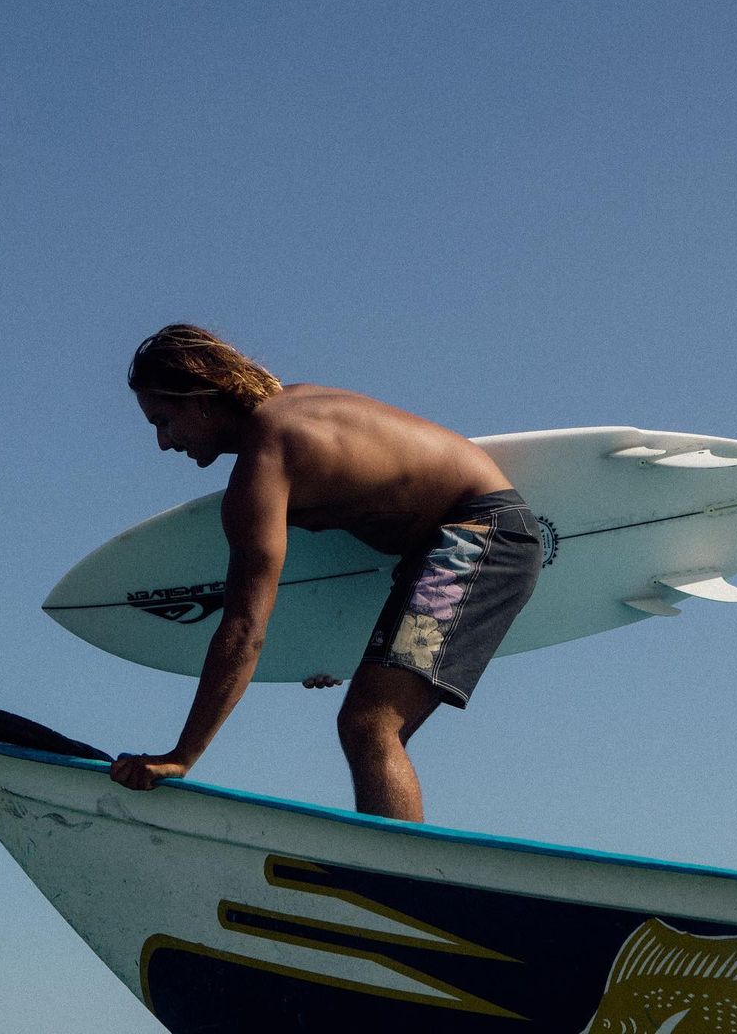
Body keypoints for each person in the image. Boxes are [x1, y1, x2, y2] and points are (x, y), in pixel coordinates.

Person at [109, 325, 541, 822]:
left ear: (201, 398)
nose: (164, 443)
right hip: (450, 543)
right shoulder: (295, 409)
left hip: (478, 535)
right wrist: (323, 653)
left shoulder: (267, 458)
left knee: (370, 725)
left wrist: (182, 755)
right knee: (367, 722)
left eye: (164, 421)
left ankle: (395, 867)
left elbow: (245, 627)